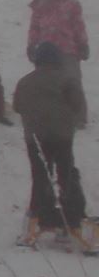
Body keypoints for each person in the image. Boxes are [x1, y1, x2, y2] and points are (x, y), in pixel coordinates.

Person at [12, 42, 93, 250]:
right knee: (66, 175)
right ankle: (70, 219)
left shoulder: (25, 82)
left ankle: (41, 216)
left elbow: (17, 106)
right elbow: (78, 105)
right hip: (62, 137)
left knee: (41, 176)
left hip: (36, 138)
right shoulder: (67, 80)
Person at [27, 0, 89, 89]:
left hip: (67, 51)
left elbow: (78, 26)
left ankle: (75, 108)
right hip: (45, 52)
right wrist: (31, 44)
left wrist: (83, 44)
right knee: (46, 86)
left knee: (72, 84)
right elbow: (34, 27)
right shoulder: (40, 2)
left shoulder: (71, 3)